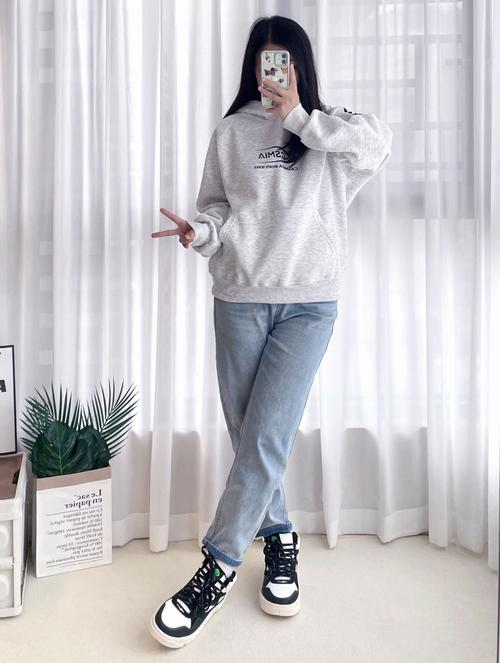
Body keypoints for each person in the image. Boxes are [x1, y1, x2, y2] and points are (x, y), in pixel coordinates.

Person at [149, 14, 392, 649]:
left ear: (301, 65)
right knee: (251, 435)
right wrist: (200, 233)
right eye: (266, 60)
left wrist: (300, 120)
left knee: (266, 437)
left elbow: (377, 147)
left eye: (285, 60)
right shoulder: (230, 132)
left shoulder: (331, 129)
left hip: (309, 304)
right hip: (238, 297)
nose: (274, 71)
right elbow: (216, 209)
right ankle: (280, 535)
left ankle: (217, 565)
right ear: (252, 66)